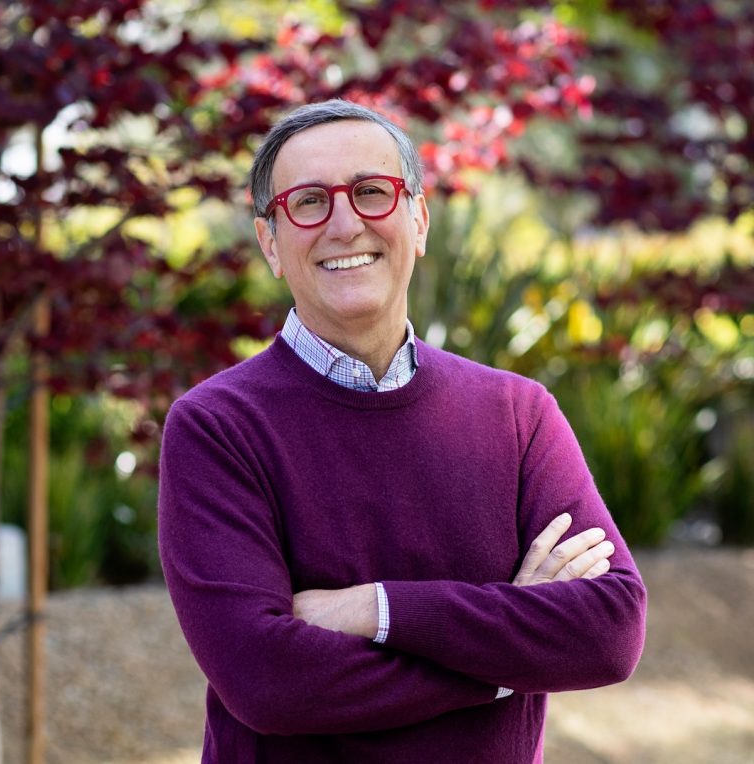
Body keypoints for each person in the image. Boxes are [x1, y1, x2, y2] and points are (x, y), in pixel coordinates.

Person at [158, 99, 646, 763]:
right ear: (270, 242)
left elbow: (609, 632)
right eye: (308, 202)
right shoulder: (217, 428)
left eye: (370, 192)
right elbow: (268, 682)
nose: (344, 222)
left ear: (417, 220)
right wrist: (508, 658)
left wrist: (376, 610)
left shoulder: (519, 414)